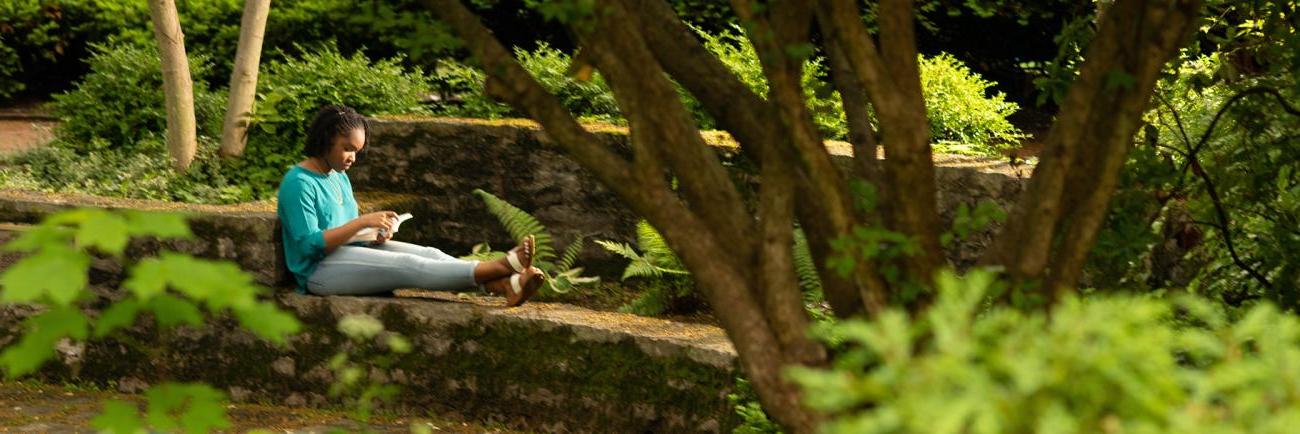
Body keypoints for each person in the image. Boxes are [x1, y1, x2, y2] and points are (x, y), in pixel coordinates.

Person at [276, 105, 543, 306]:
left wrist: (376, 233)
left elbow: (345, 232)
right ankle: (501, 267)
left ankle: (505, 285)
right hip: (318, 272)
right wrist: (361, 222)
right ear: (325, 139)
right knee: (408, 265)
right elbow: (307, 245)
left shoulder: (338, 175)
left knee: (431, 254)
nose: (352, 158)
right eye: (348, 148)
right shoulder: (298, 182)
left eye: (357, 151)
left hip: (346, 254)